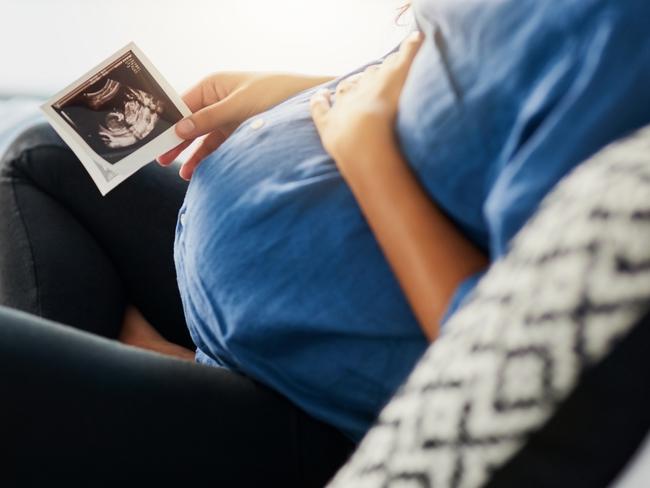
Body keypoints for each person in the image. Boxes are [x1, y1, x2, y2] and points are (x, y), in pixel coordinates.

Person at [1, 0, 649, 485]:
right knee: (41, 150)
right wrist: (308, 92)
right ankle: (148, 378)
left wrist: (367, 149)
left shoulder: (625, 45)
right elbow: (468, 100)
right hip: (264, 305)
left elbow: (513, 354)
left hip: (313, 407)